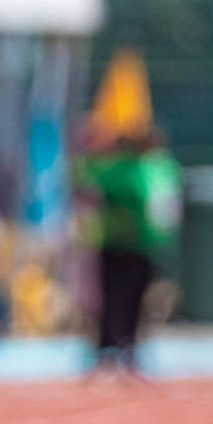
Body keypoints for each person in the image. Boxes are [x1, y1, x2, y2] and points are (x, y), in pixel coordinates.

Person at [75, 127, 182, 374]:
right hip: (124, 243)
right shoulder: (133, 169)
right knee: (120, 298)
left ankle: (121, 345)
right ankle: (113, 345)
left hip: (135, 243)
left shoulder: (149, 168)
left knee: (126, 298)